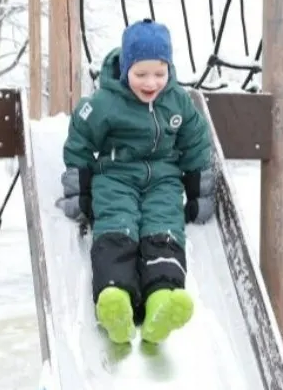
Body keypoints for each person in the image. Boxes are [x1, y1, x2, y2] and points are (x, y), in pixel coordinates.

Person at [56, 19, 216, 345]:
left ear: (169, 69)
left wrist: (198, 189)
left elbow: (197, 141)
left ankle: (162, 299)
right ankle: (115, 298)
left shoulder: (178, 101)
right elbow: (80, 139)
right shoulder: (104, 102)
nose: (151, 83)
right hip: (114, 177)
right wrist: (80, 189)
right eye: (140, 74)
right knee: (117, 225)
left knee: (164, 225)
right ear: (125, 68)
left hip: (164, 180)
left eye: (159, 73)